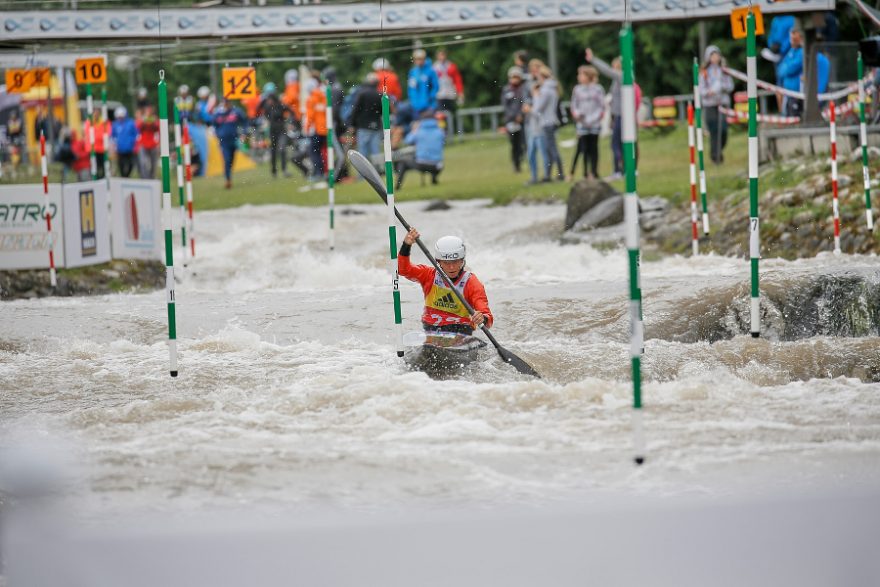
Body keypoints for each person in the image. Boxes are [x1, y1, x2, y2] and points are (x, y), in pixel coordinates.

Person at [398, 228, 493, 335]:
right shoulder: (428, 275)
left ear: (462, 260)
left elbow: (487, 318)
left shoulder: (472, 282)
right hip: (431, 330)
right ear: (439, 262)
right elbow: (403, 270)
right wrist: (406, 246)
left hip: (461, 331)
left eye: (455, 262)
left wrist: (482, 318)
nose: (451, 267)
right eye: (446, 263)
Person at [584, 48, 641, 180]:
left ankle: (621, 170)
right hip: (619, 115)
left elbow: (606, 71)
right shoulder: (621, 79)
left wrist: (593, 59)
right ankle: (623, 170)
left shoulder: (622, 76)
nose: (613, 69)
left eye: (615, 66)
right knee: (621, 144)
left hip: (623, 116)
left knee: (617, 144)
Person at [699, 45, 734, 165]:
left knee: (723, 129)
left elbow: (730, 86)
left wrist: (721, 88)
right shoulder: (704, 72)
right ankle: (715, 156)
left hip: (722, 103)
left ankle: (719, 150)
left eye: (716, 55)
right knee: (714, 130)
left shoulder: (724, 70)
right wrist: (709, 92)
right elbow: (701, 90)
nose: (715, 57)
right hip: (710, 104)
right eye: (712, 55)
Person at [570, 65, 605, 180]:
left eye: (581, 74)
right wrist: (577, 114)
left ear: (588, 76)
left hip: (594, 123)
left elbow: (601, 106)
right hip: (582, 123)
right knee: (584, 148)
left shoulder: (598, 89)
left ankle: (594, 171)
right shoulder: (577, 89)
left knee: (594, 147)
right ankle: (585, 172)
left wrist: (593, 118)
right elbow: (574, 105)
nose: (579, 77)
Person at [395, 110, 445, 190]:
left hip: (422, 164)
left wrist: (414, 130)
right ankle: (434, 180)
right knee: (433, 158)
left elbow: (407, 140)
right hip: (437, 166)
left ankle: (397, 186)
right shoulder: (440, 131)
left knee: (403, 162)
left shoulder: (419, 131)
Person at [532, 65, 564, 182]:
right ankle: (549, 175)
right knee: (550, 149)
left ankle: (559, 174)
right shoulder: (552, 88)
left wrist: (535, 96)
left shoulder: (545, 91)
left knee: (552, 149)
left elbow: (537, 109)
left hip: (547, 122)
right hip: (551, 121)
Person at [258, 82, 294, 178]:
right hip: (272, 131)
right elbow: (258, 111)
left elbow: (291, 111)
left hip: (281, 130)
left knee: (282, 150)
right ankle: (274, 171)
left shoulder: (280, 105)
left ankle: (284, 170)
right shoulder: (265, 105)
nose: (268, 100)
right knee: (273, 151)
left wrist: (291, 122)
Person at [348, 72, 383, 162]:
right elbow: (384, 111)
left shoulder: (362, 94)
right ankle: (378, 171)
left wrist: (352, 124)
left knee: (363, 151)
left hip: (363, 126)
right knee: (376, 150)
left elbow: (356, 110)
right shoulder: (380, 95)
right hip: (376, 125)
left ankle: (362, 173)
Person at [500, 66, 529, 173]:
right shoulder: (506, 90)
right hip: (511, 121)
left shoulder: (523, 90)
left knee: (524, 143)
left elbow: (525, 103)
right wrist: (513, 117)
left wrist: (520, 115)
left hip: (522, 120)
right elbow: (505, 106)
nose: (514, 79)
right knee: (514, 145)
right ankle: (516, 164)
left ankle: (525, 160)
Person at [212, 98, 245, 189]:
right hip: (223, 141)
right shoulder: (218, 114)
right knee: (226, 159)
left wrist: (243, 133)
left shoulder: (236, 112)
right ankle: (228, 179)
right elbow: (214, 125)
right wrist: (218, 134)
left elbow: (244, 122)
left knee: (231, 160)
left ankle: (229, 175)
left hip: (234, 140)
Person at [778, 24, 805, 117]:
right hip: (788, 93)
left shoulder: (802, 52)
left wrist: (786, 67)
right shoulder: (791, 51)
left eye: (794, 34)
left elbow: (790, 69)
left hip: (797, 93)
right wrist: (786, 68)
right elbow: (781, 70)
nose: (792, 38)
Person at [304, 77, 328, 179]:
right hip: (326, 129)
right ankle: (324, 172)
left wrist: (307, 128)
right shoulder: (323, 96)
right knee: (323, 152)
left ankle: (319, 173)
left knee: (313, 152)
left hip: (316, 130)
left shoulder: (311, 99)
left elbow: (310, 116)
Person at [433, 49, 464, 121]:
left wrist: (460, 92)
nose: (442, 57)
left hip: (450, 94)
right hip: (439, 95)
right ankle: (443, 130)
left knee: (450, 114)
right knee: (441, 114)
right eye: (440, 55)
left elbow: (458, 80)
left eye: (443, 55)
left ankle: (451, 129)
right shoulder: (434, 67)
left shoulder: (451, 66)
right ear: (437, 56)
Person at [407, 49, 439, 115]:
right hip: (415, 107)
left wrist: (429, 98)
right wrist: (412, 101)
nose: (419, 61)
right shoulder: (413, 72)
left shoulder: (430, 71)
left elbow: (435, 87)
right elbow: (411, 88)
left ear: (424, 59)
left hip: (429, 106)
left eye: (420, 59)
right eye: (417, 59)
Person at [111, 106, 138, 177]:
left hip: (130, 148)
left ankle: (127, 176)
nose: (120, 118)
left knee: (131, 164)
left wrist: (134, 144)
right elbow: (113, 136)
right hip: (120, 149)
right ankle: (123, 177)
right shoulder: (115, 124)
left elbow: (136, 134)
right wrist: (114, 146)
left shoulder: (131, 123)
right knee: (121, 164)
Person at [136, 104, 160, 179]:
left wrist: (153, 121)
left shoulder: (155, 120)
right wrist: (143, 120)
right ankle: (144, 177)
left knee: (153, 163)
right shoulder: (141, 119)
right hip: (143, 144)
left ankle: (151, 177)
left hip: (153, 144)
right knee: (143, 162)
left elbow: (158, 128)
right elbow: (138, 127)